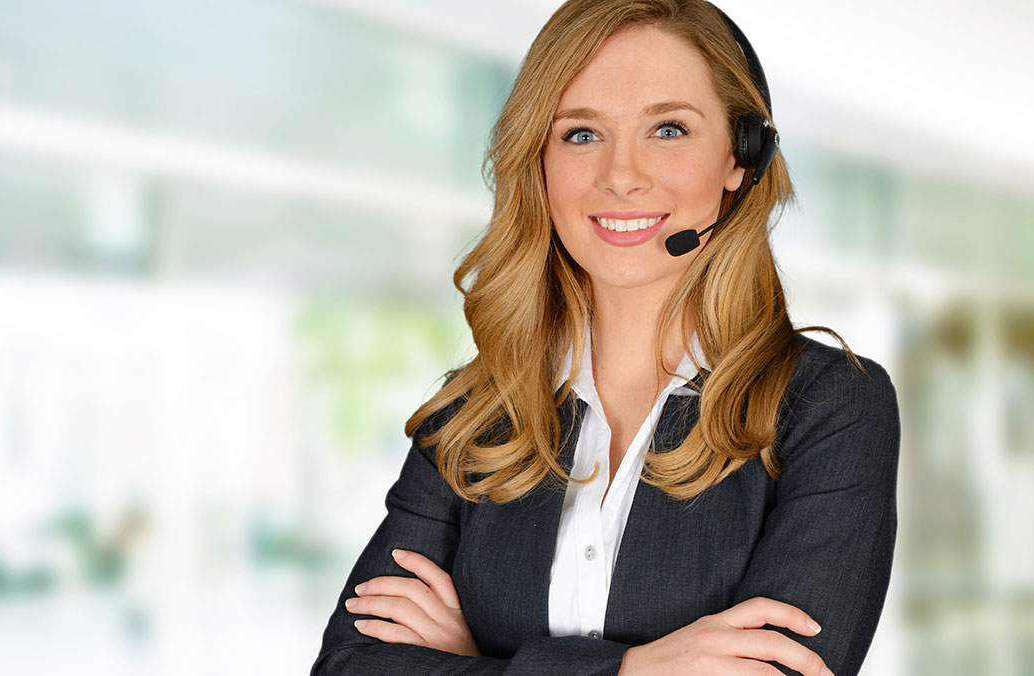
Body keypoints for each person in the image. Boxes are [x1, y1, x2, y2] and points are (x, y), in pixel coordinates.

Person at [311, 1, 899, 674]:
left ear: (742, 156)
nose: (621, 175)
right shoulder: (472, 414)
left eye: (669, 129)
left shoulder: (829, 406)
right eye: (581, 134)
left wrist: (479, 660)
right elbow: (350, 665)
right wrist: (632, 670)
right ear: (539, 159)